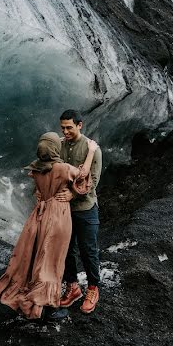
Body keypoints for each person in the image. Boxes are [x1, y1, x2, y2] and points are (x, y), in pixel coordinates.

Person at [0, 132, 98, 319]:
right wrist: (90, 152)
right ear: (55, 149)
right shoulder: (64, 169)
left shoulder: (35, 169)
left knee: (37, 256)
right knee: (52, 261)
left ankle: (33, 296)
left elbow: (39, 191)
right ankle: (45, 307)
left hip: (38, 215)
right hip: (58, 216)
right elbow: (84, 180)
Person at [56, 109, 104, 315]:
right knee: (66, 249)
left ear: (79, 125)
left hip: (85, 209)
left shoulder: (92, 148)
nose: (65, 131)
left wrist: (72, 196)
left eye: (69, 127)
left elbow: (92, 183)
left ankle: (93, 288)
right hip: (64, 210)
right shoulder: (59, 145)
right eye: (63, 127)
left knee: (88, 250)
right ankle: (73, 287)